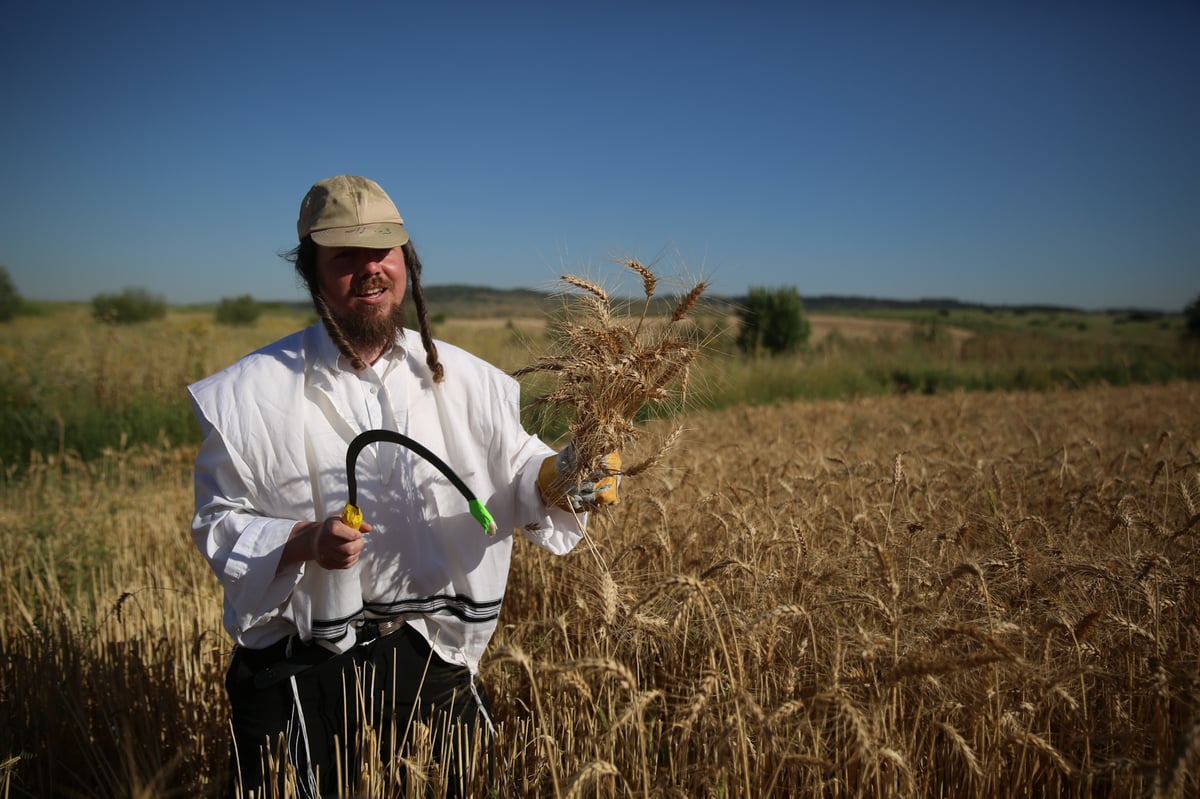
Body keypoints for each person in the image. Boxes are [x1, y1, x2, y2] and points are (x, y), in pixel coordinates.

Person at [188, 174, 619, 798]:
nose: (370, 271)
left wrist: (561, 477)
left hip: (430, 660)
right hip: (298, 672)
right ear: (313, 273)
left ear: (407, 262)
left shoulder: (470, 380)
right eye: (345, 258)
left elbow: (516, 469)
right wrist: (304, 540)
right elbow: (218, 520)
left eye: (382, 253)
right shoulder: (248, 393)